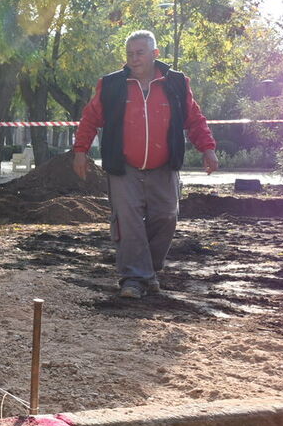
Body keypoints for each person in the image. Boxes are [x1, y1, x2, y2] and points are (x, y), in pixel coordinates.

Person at [72, 30, 218, 299]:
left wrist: (208, 149)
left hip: (164, 166)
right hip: (123, 166)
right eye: (129, 53)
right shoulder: (112, 84)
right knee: (128, 222)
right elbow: (90, 118)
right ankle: (133, 279)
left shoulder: (176, 83)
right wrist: (80, 150)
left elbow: (195, 119)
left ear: (155, 54)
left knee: (167, 217)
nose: (134, 58)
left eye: (140, 52)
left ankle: (148, 270)